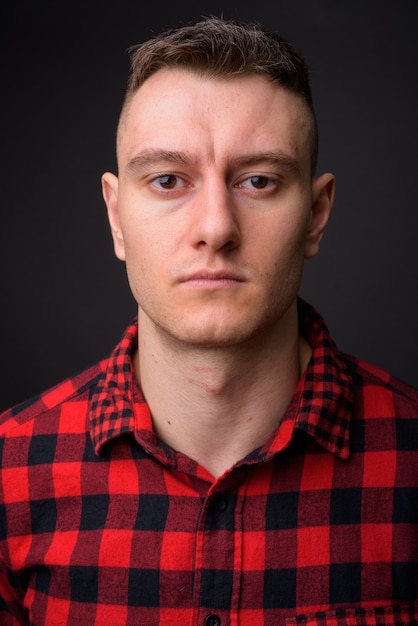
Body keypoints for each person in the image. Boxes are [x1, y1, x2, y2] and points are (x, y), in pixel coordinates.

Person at [1, 15, 417, 626]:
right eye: (168, 180)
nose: (217, 228)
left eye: (259, 181)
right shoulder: (10, 475)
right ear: (117, 217)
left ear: (316, 214)